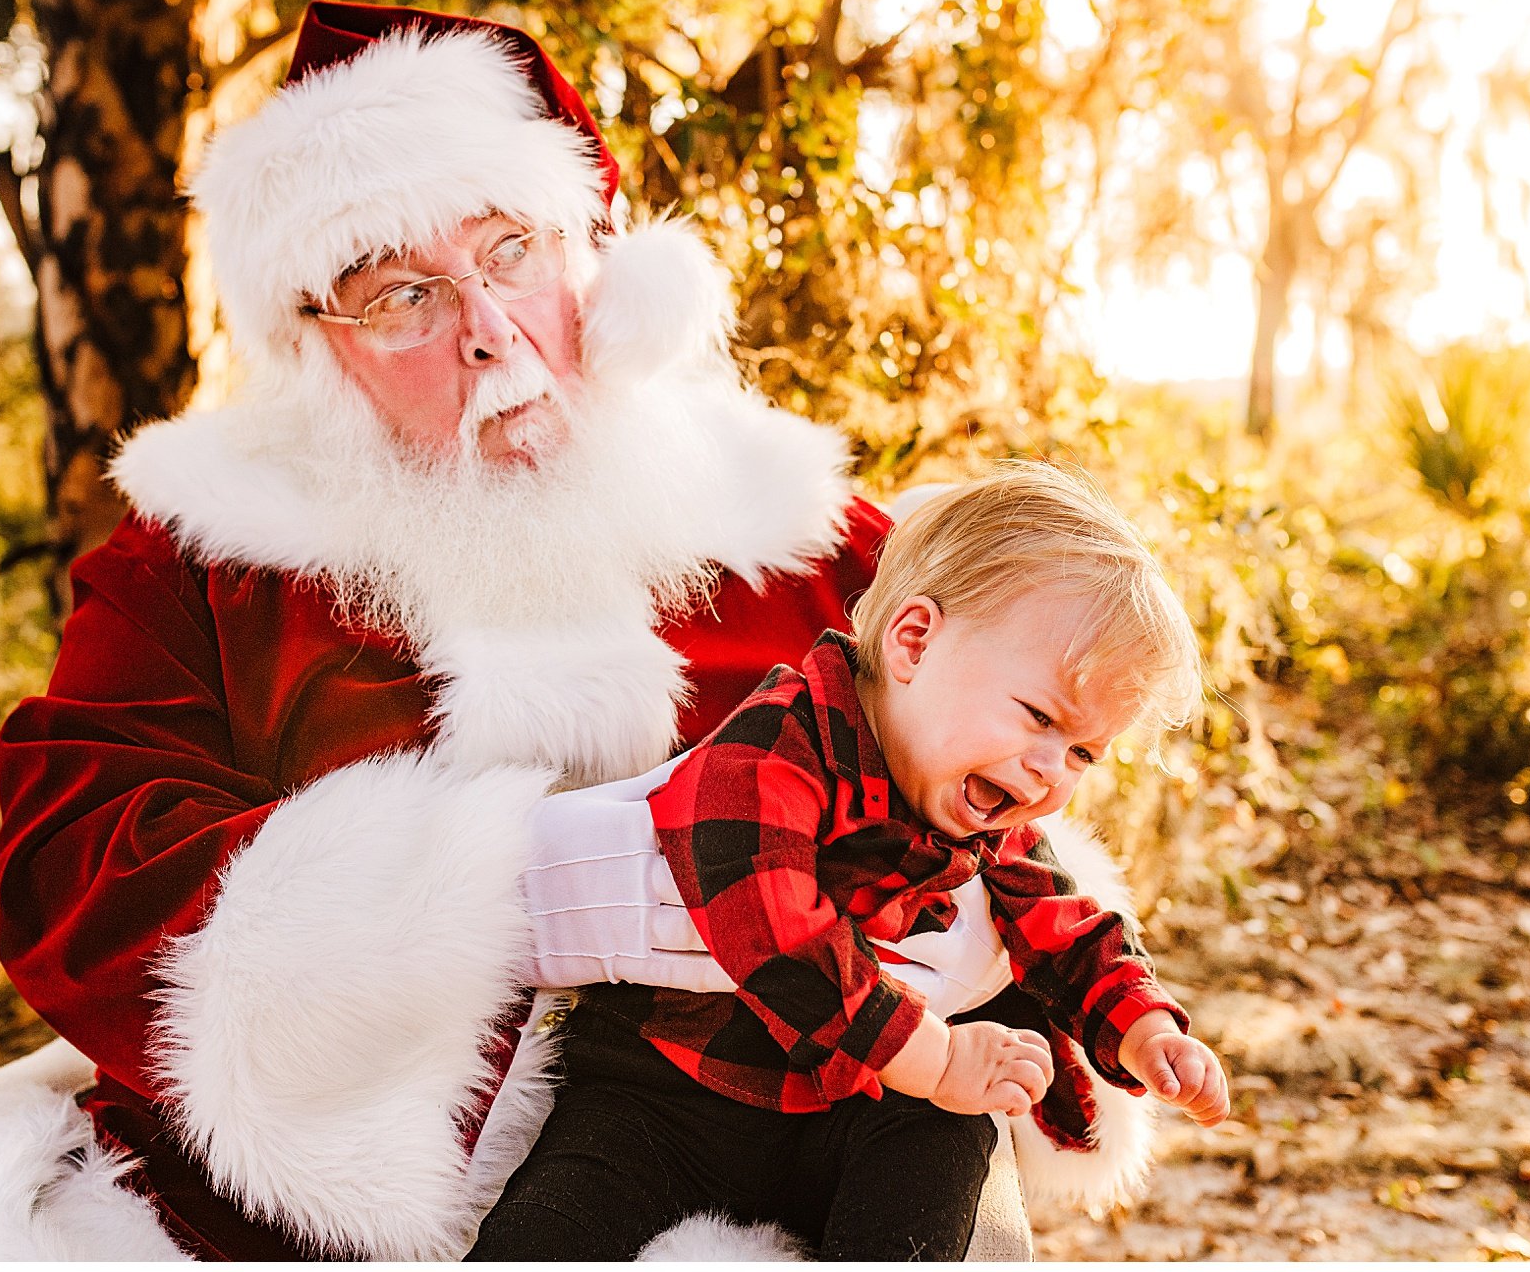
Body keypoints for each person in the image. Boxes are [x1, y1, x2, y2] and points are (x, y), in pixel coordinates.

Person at [0, 2, 1166, 1262]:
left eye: (510, 251)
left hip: (755, 1163)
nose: (489, 333)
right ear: (314, 346)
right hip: (336, 1214)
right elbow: (71, 873)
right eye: (399, 292)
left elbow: (1009, 749)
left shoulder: (803, 528)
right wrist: (508, 892)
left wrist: (978, 934)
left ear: (595, 261)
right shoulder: (203, 555)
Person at [469, 463, 1229, 1260]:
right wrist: (932, 1055)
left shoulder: (980, 814)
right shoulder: (769, 750)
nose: (1050, 768)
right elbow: (774, 928)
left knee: (949, 1128)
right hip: (671, 1095)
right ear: (914, 642)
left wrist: (1142, 1027)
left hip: (848, 1107)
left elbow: (1066, 926)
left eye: (1083, 752)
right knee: (560, 1220)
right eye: (1038, 716)